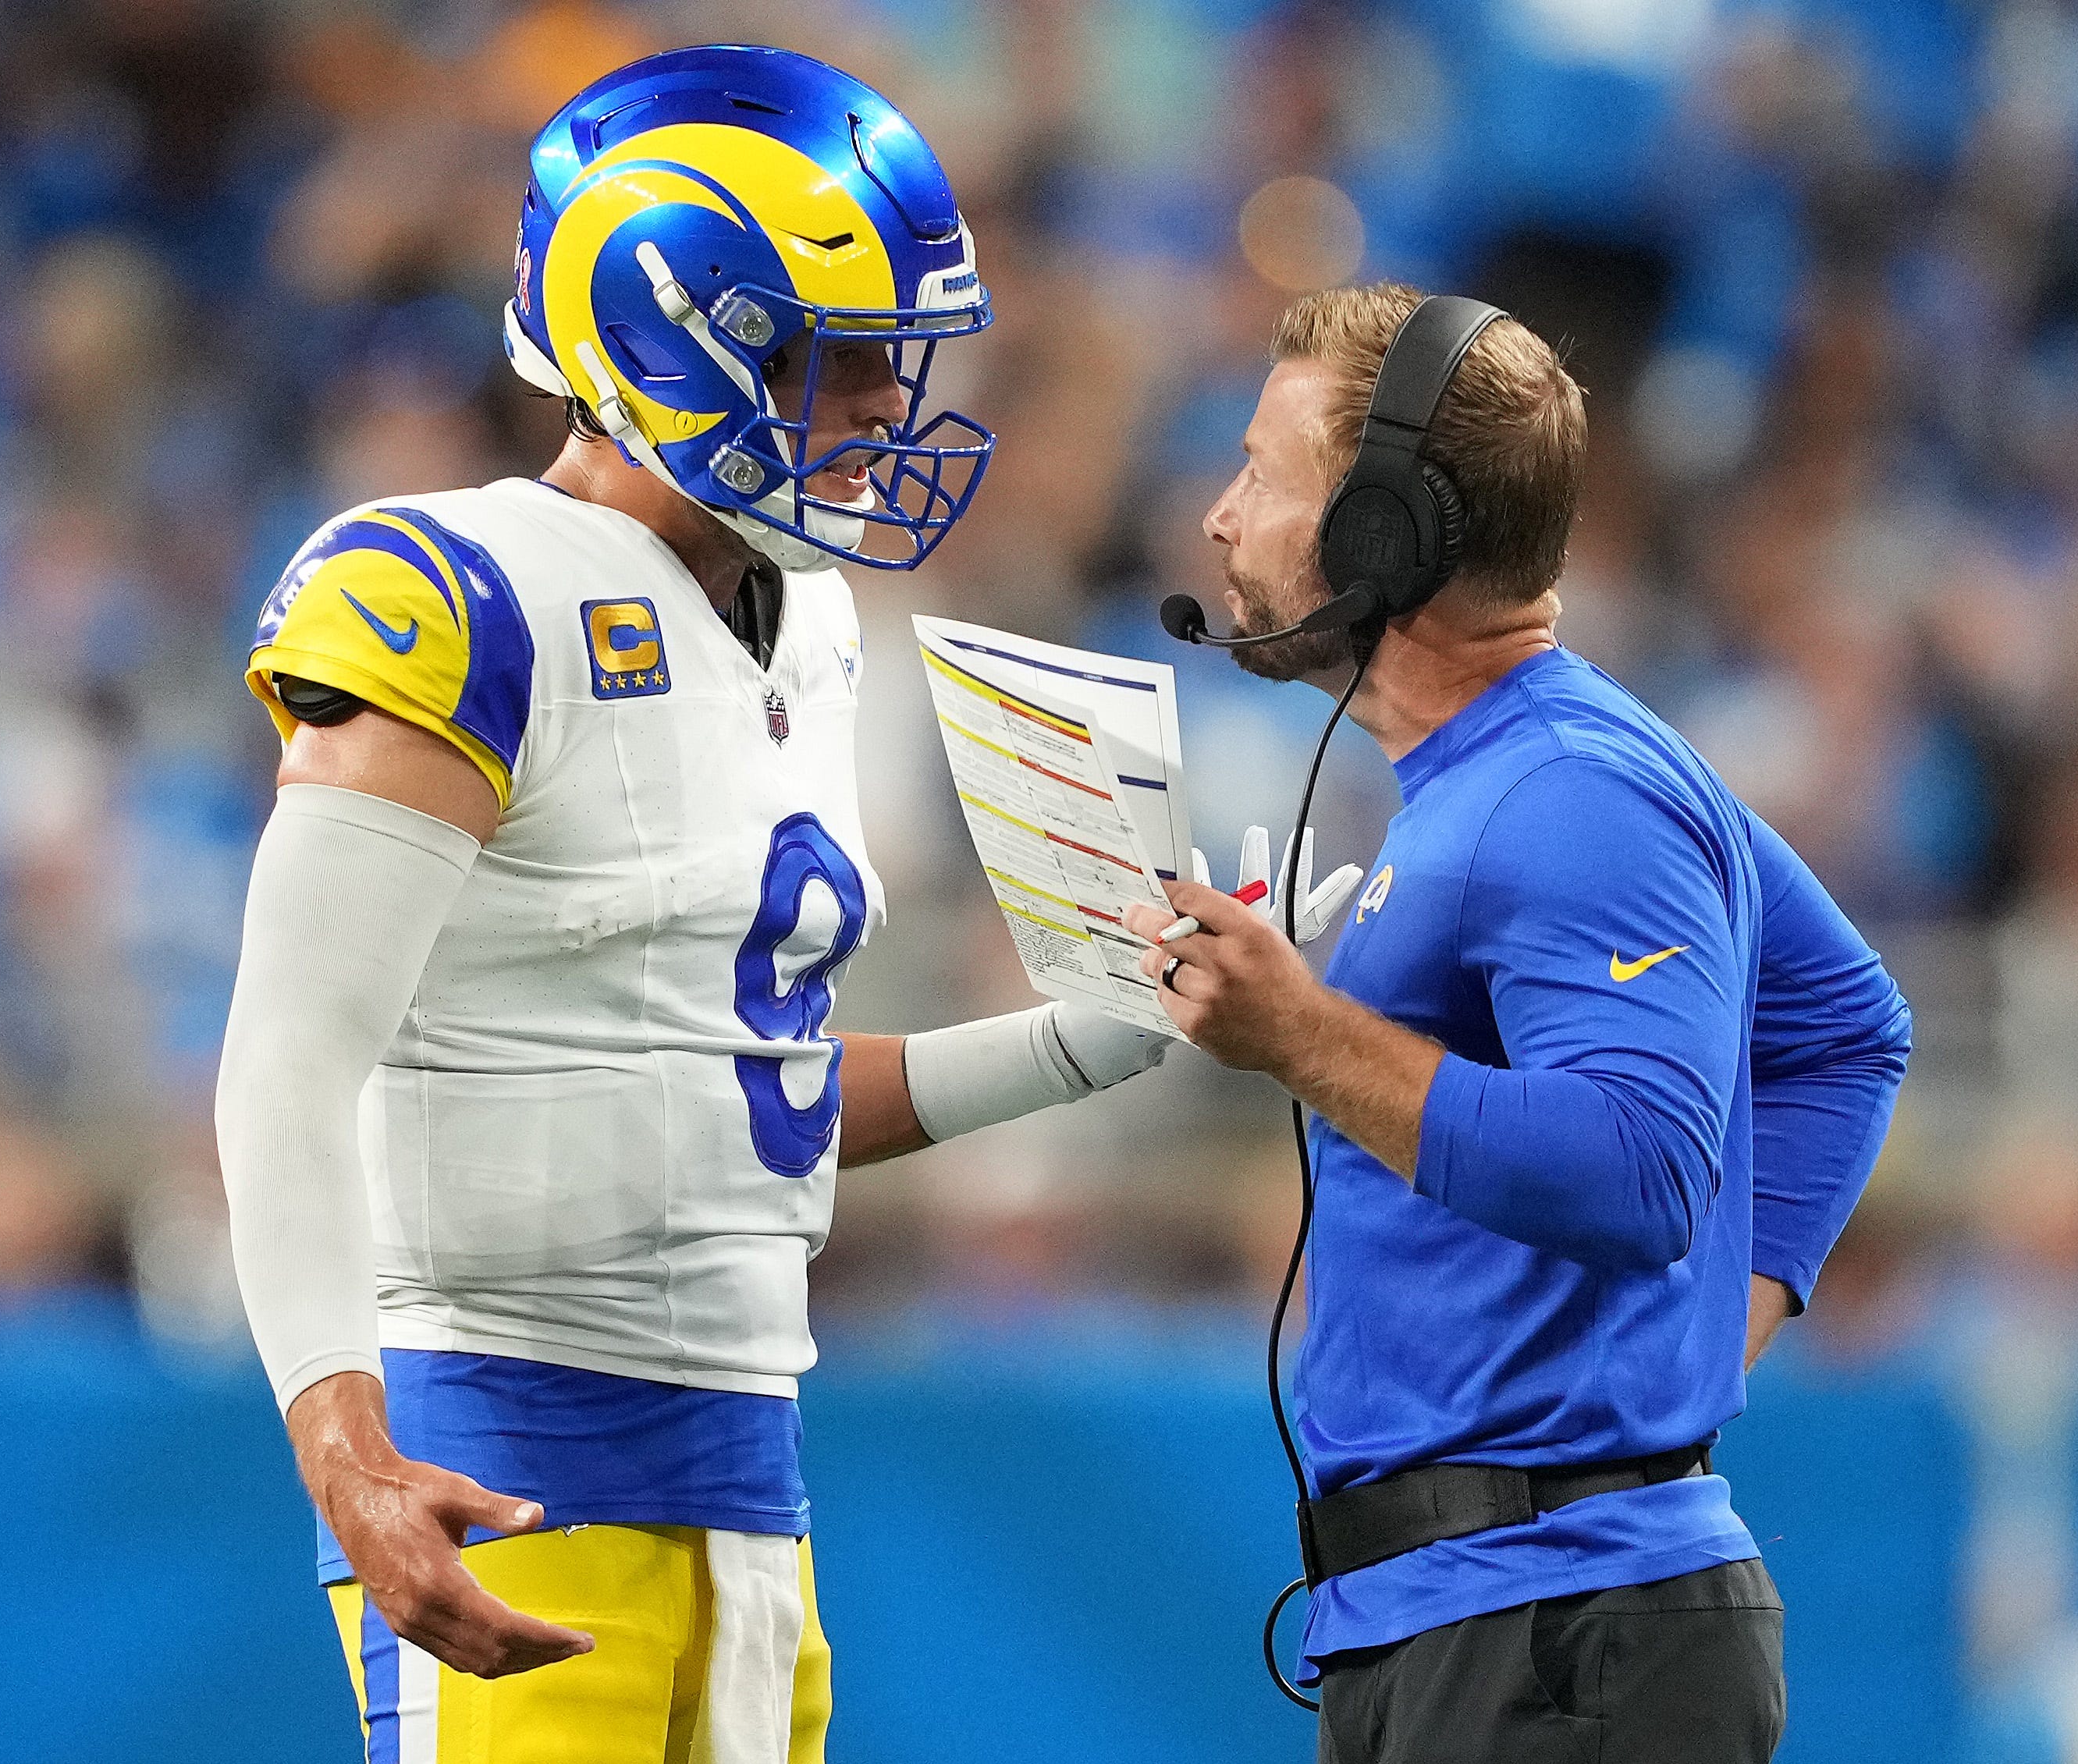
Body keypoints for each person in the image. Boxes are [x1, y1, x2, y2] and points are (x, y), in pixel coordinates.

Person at [212, 47, 1198, 1764]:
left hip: (749, 1476)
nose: (889, 412)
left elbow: (751, 1097)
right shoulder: (452, 592)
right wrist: (343, 1442)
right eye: (840, 363)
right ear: (671, 335)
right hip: (502, 1445)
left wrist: (1091, 1041)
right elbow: (285, 1062)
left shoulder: (806, 623)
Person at [1121, 282, 1910, 1764]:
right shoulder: (1544, 764)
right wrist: (1719, 1343)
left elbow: (1641, 1169)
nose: (1219, 520)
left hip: (1558, 1626)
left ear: (1384, 535)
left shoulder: (1570, 792)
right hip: (1492, 1616)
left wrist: (1301, 1034)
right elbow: (1847, 1026)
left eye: (1260, 474)